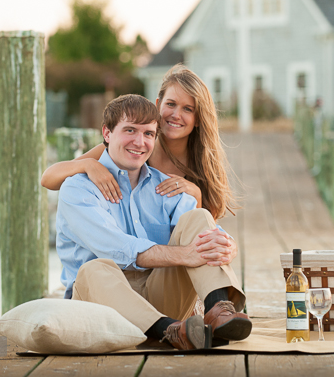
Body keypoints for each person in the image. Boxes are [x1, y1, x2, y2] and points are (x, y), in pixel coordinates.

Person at [56, 94, 250, 350]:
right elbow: (114, 247)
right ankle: (166, 331)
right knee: (92, 269)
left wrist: (226, 244)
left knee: (199, 217)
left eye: (148, 134)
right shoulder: (78, 188)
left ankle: (217, 313)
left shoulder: (165, 187)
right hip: (100, 302)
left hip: (160, 298)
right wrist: (185, 255)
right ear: (107, 133)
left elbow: (202, 231)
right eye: (130, 130)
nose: (140, 142)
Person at [41, 64, 236, 220]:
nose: (176, 115)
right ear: (158, 105)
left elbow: (205, 232)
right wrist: (88, 164)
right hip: (132, 257)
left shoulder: (202, 162)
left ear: (199, 118)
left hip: (177, 260)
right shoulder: (133, 147)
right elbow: (48, 178)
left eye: (188, 109)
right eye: (171, 104)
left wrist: (196, 196)